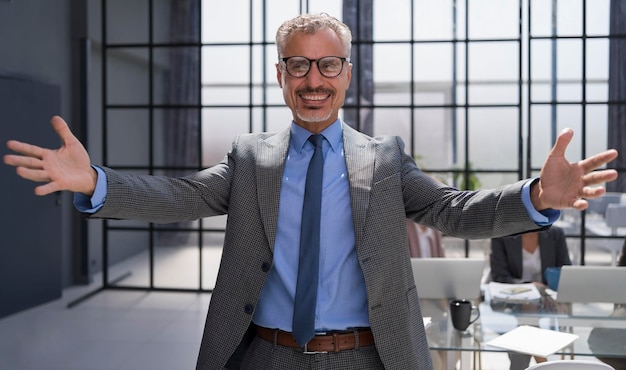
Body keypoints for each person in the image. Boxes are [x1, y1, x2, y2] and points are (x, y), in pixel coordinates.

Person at [2, 13, 619, 370]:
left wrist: (537, 195)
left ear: (347, 74)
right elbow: (182, 197)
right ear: (281, 75)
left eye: (328, 65)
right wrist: (96, 182)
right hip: (263, 355)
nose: (313, 79)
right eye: (298, 64)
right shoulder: (250, 158)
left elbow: (452, 210)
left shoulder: (385, 159)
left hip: (367, 357)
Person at [489, 226, 572, 370]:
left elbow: (565, 271)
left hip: (547, 300)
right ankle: (544, 363)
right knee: (528, 320)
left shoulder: (555, 234)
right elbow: (499, 275)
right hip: (512, 301)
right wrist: (530, 286)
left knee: (525, 325)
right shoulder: (502, 234)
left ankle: (527, 366)